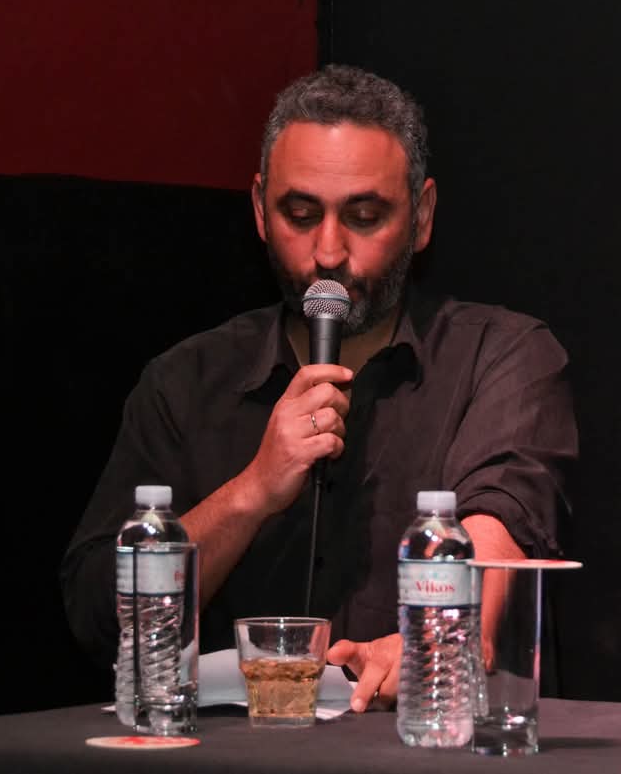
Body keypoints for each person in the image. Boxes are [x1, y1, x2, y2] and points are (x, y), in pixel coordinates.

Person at [60, 64, 577, 713]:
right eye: (300, 215)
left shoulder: (500, 355)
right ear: (259, 209)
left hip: (421, 745)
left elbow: (497, 534)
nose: (328, 253)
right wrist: (252, 490)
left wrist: (443, 638)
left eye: (364, 216)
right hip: (227, 752)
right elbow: (98, 618)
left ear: (421, 217)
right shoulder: (185, 382)